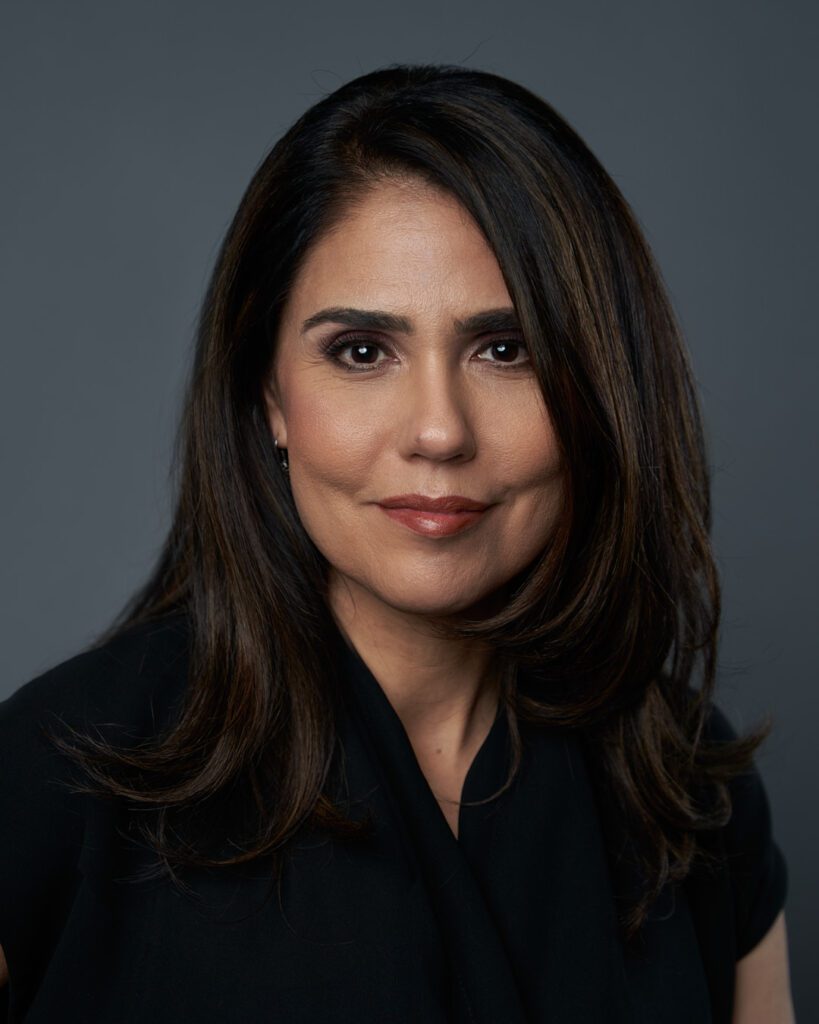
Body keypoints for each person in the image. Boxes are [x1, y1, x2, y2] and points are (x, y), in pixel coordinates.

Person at [0, 63, 794, 1022]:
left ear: (599, 387)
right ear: (268, 397)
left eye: (507, 350)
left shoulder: (689, 793)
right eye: (361, 352)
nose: (438, 431)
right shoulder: (54, 781)